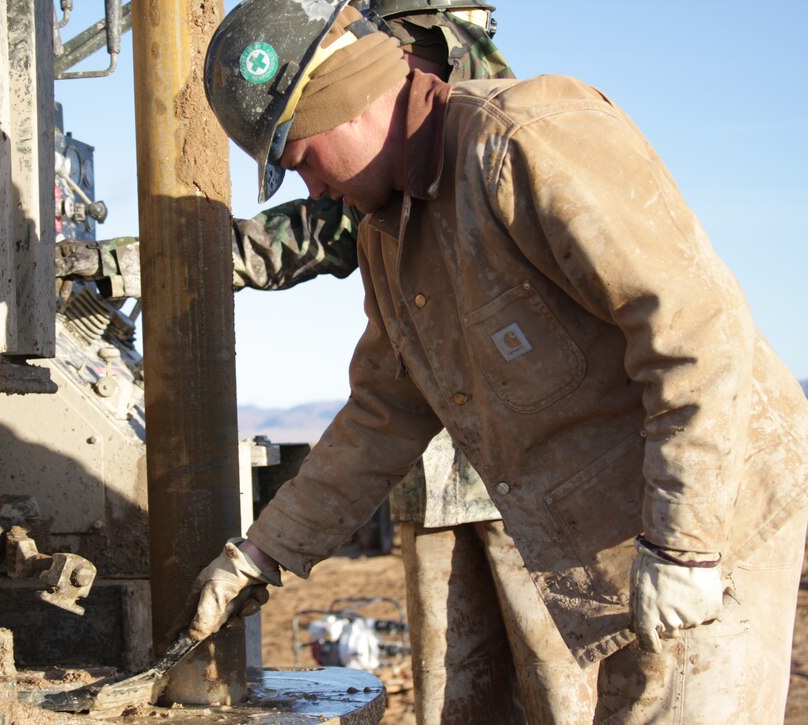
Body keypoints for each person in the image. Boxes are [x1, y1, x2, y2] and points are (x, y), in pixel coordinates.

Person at [189, 1, 808, 722]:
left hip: (714, 517)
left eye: (301, 161)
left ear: (345, 99)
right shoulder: (389, 239)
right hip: (617, 539)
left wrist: (686, 545)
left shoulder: (525, 141)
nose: (315, 191)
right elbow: (382, 414)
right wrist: (262, 554)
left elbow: (696, 328)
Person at [56, 6, 595, 721]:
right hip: (442, 478)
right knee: (458, 701)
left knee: (564, 692)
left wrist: (120, 263)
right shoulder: (385, 210)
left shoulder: (490, 128)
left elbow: (676, 330)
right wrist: (261, 555)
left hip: (532, 474)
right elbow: (381, 395)